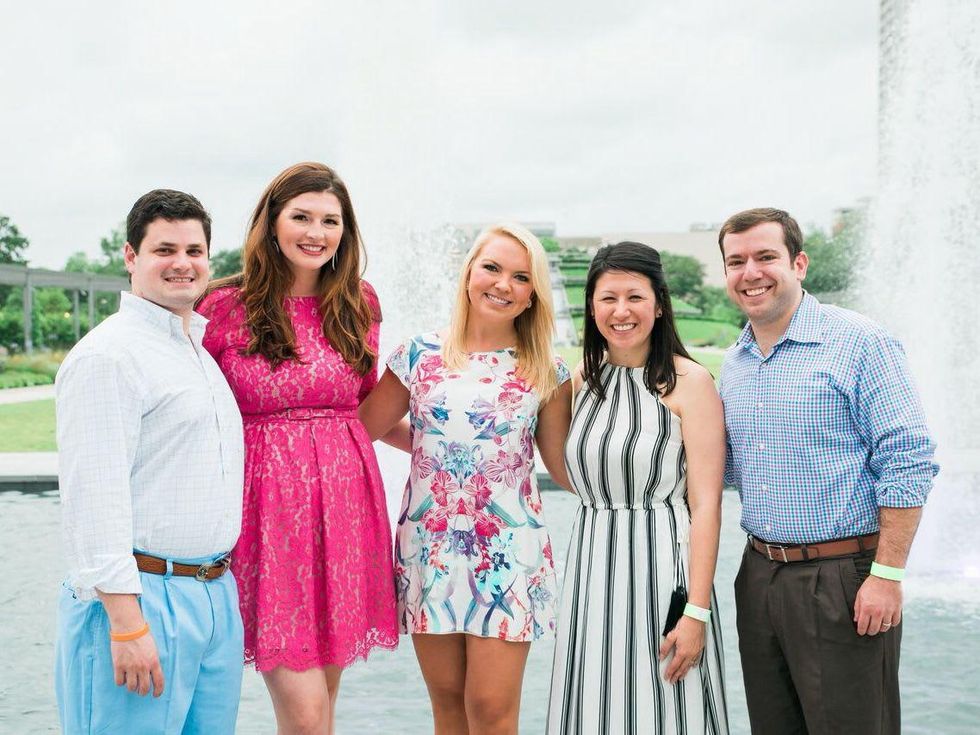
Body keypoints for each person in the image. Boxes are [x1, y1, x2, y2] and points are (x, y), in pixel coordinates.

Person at [717, 207, 939, 734]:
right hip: (759, 575)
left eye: (766, 257)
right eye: (736, 261)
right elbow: (724, 470)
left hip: (843, 579)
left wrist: (886, 575)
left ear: (799, 262)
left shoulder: (861, 343)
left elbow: (908, 457)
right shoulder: (735, 361)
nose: (751, 273)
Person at [196, 162, 398, 734]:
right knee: (308, 718)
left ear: (345, 231)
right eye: (301, 216)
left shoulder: (358, 303)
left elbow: (367, 406)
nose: (316, 232)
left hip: (345, 511)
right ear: (272, 223)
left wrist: (452, 449)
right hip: (266, 517)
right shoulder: (222, 306)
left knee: (320, 715)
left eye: (330, 220)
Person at [359, 222, 571, 735]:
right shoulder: (419, 355)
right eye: (492, 268)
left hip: (506, 552)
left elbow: (563, 468)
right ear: (469, 273)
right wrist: (440, 448)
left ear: (532, 295)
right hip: (428, 549)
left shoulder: (548, 371)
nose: (502, 284)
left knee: (492, 710)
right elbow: (366, 427)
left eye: (521, 277)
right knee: (449, 706)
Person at [54, 189, 245, 734]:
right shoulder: (108, 357)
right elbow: (94, 496)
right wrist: (125, 623)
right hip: (138, 598)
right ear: (131, 257)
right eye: (165, 249)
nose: (183, 263)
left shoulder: (198, 353)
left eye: (195, 250)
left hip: (211, 594)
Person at [546, 242, 730, 735]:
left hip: (662, 572)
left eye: (634, 297)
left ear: (659, 303)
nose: (620, 311)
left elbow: (706, 504)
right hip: (590, 573)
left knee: (666, 709)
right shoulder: (581, 380)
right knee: (594, 707)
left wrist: (696, 611)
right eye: (608, 298)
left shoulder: (691, 383)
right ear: (591, 305)